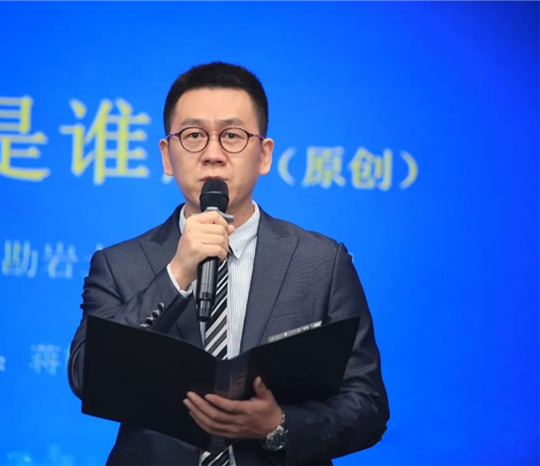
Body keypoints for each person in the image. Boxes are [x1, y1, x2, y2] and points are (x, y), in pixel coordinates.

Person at [68, 62, 389, 466]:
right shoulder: (118, 264)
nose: (213, 154)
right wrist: (176, 274)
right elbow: (87, 377)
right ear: (167, 155)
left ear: (264, 155)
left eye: (232, 136)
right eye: (194, 135)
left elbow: (368, 405)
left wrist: (278, 425)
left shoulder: (320, 262)